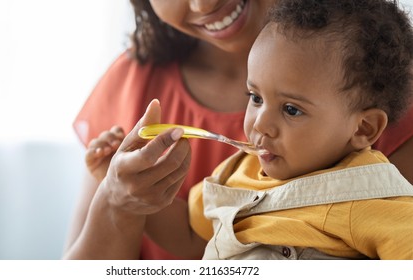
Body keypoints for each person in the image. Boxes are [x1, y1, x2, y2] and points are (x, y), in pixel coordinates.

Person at [64, 0, 413, 259]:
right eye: (255, 97)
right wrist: (125, 192)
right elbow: (191, 233)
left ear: (365, 128)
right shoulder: (236, 174)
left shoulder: (369, 197)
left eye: (291, 110)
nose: (259, 123)